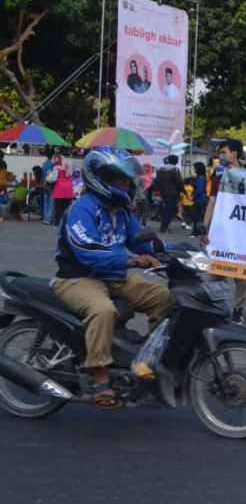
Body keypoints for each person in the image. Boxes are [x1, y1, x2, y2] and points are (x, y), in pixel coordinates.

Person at [51, 146, 176, 410]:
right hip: (78, 279)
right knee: (103, 310)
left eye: (127, 179)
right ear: (100, 179)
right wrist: (129, 260)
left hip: (115, 277)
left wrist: (179, 252)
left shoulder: (121, 211)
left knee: (166, 297)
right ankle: (99, 375)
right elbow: (88, 251)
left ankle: (149, 359)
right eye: (120, 179)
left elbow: (143, 241)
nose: (127, 184)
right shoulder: (81, 209)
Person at [202, 139, 246, 324]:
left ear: (235, 153)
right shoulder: (218, 178)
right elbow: (211, 203)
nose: (221, 155)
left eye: (224, 151)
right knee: (217, 271)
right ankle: (216, 306)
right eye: (220, 152)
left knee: (241, 272)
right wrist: (204, 227)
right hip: (220, 232)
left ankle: (238, 308)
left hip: (241, 234)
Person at [155, 155, 185, 234]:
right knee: (169, 210)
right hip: (172, 193)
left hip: (163, 192)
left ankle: (164, 226)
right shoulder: (174, 170)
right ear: (176, 161)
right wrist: (184, 191)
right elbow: (179, 182)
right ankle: (164, 227)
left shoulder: (160, 170)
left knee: (167, 209)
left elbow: (157, 181)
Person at [51, 150, 75, 225]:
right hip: (68, 188)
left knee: (58, 207)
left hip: (60, 189)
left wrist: (48, 177)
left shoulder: (56, 167)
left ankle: (58, 222)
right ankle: (65, 222)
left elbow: (53, 178)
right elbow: (70, 175)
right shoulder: (68, 166)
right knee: (66, 207)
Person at [189, 162, 209, 236]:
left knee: (194, 214)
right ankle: (197, 230)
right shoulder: (200, 177)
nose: (193, 169)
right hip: (201, 199)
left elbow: (199, 189)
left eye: (194, 168)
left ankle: (198, 230)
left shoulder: (200, 177)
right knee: (196, 214)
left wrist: (193, 195)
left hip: (200, 199)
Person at [41, 148, 56, 224]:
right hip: (49, 184)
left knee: (46, 201)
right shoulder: (51, 164)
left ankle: (45, 216)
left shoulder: (44, 163)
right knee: (51, 202)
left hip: (44, 183)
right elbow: (50, 174)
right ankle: (48, 218)